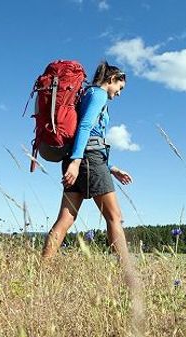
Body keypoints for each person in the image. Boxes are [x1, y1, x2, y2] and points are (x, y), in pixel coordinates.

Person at [42, 61, 132, 259]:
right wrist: (76, 161)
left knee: (66, 219)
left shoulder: (87, 94)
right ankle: (129, 273)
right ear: (112, 79)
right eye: (120, 87)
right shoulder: (98, 94)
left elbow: (88, 136)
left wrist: (112, 168)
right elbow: (84, 127)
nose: (119, 93)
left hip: (81, 159)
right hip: (86, 160)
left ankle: (42, 269)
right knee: (115, 217)